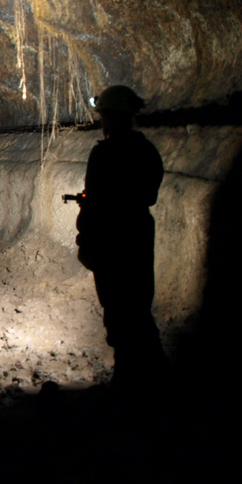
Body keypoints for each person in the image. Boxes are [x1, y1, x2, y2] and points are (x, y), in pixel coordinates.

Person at [74, 86, 167, 393]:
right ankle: (153, 374)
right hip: (138, 233)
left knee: (116, 306)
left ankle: (129, 377)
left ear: (109, 118)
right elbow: (148, 195)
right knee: (138, 303)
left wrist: (85, 234)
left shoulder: (104, 153)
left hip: (111, 238)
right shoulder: (147, 151)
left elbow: (96, 200)